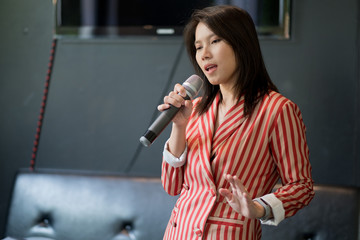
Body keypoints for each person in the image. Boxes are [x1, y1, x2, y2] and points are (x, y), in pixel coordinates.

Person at [158, 5, 314, 240]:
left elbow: (301, 186)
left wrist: (259, 208)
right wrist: (179, 125)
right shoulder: (197, 108)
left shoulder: (278, 110)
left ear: (241, 43)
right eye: (198, 47)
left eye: (215, 41)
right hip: (179, 232)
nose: (204, 54)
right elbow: (172, 186)